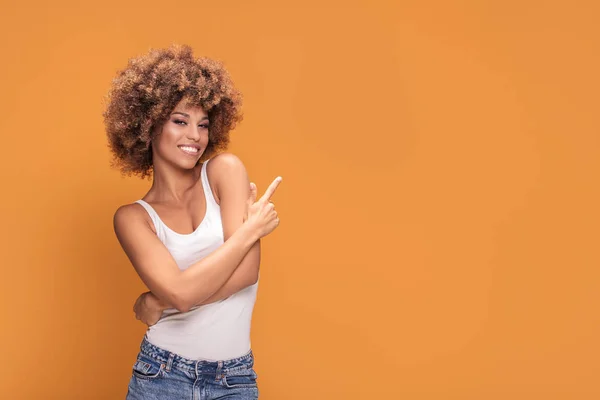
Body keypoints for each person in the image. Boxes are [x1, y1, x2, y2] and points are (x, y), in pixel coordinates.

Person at [103, 44, 281, 400]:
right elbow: (182, 296)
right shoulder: (134, 218)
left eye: (202, 125)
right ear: (149, 125)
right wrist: (249, 232)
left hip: (234, 378)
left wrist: (159, 301)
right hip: (160, 374)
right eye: (180, 122)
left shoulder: (223, 171)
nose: (195, 137)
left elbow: (247, 274)